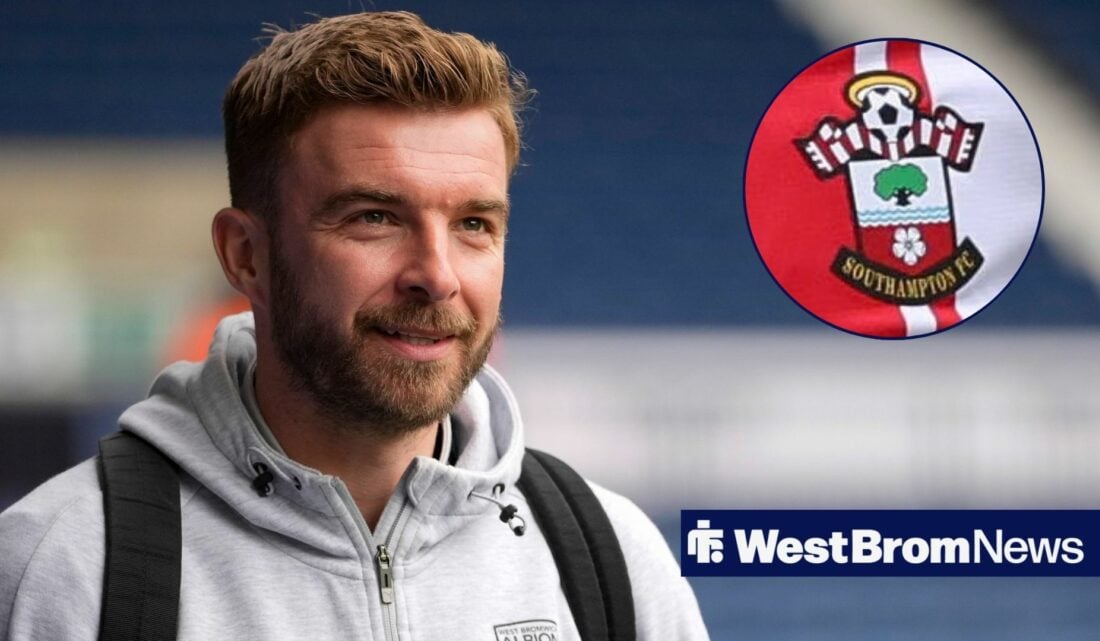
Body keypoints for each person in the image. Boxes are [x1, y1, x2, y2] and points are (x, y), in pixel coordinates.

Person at [0, 11, 708, 640]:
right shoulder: (61, 563)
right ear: (246, 255)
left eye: (473, 224)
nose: (437, 273)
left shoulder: (613, 560)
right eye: (374, 217)